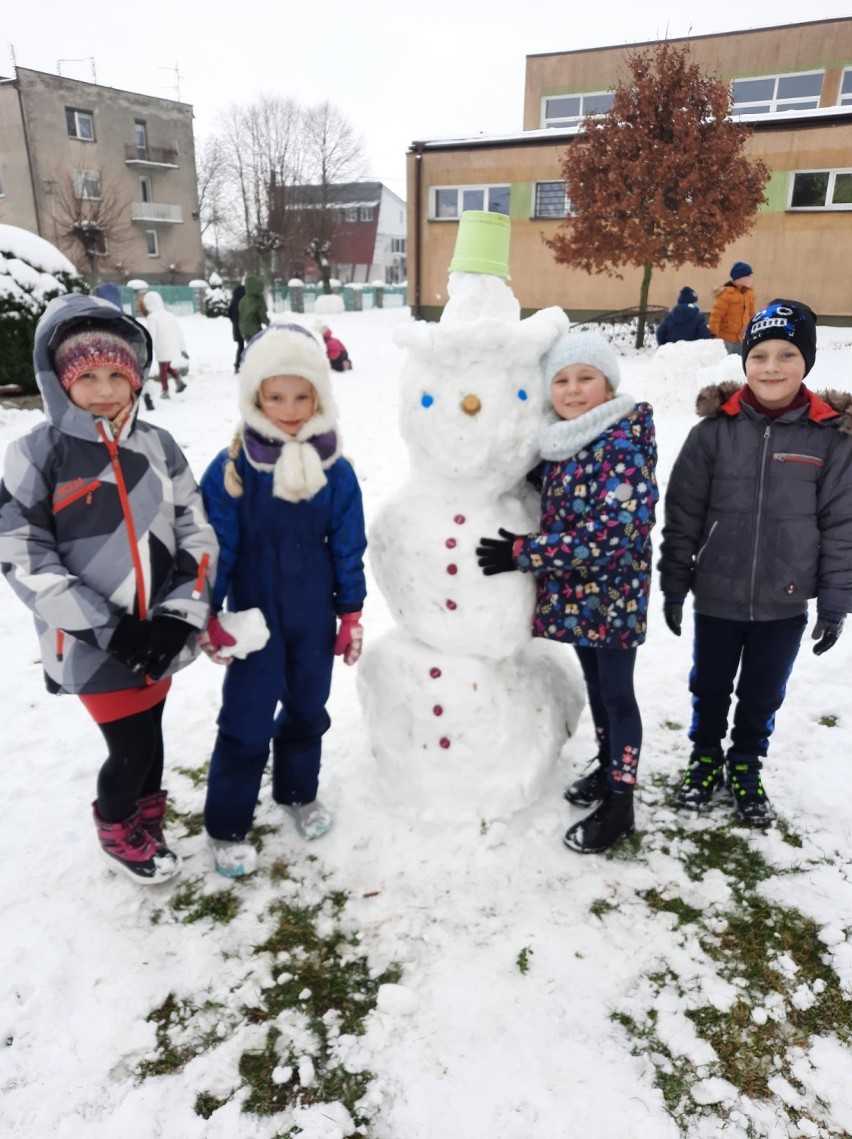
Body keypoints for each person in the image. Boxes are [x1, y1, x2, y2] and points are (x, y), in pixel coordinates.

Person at [0, 293, 217, 883]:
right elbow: (23, 555)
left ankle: (146, 812)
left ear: (136, 376)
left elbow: (196, 530)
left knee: (153, 734)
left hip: (161, 636)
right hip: (96, 643)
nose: (103, 390)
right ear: (58, 380)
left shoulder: (159, 446)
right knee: (130, 748)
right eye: (86, 376)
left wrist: (179, 616)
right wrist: (109, 628)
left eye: (116, 374)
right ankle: (117, 826)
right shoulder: (35, 456)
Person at [659, 299, 852, 826]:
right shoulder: (713, 433)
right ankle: (704, 757)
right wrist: (675, 584)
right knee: (710, 684)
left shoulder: (831, 440)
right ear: (744, 361)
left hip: (784, 598)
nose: (772, 367)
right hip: (718, 592)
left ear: (806, 361)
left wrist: (835, 604)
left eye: (787, 354)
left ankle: (745, 761)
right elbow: (683, 516)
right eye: (760, 354)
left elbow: (842, 527)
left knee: (763, 690)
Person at [476, 331, 658, 854]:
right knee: (599, 688)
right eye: (561, 380)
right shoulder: (563, 441)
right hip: (580, 600)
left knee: (618, 694)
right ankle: (607, 767)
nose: (573, 390)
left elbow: (615, 532)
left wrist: (525, 552)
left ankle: (621, 801)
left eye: (586, 378)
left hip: (614, 598)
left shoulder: (621, 442)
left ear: (608, 385)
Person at [199, 322, 367, 877]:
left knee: (306, 709)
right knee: (246, 719)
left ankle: (297, 792)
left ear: (319, 395)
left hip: (312, 616)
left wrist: (350, 612)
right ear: (255, 396)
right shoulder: (232, 469)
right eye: (275, 397)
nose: (289, 409)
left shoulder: (335, 466)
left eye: (301, 396)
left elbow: (347, 542)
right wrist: (208, 614)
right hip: (255, 619)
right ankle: (227, 825)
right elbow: (215, 547)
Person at [138, 290, 189, 399]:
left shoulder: (152, 318)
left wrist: (147, 349)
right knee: (167, 367)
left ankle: (165, 392)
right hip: (173, 346)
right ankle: (179, 381)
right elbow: (178, 332)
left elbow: (151, 336)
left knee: (163, 371)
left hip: (162, 348)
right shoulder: (170, 315)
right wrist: (183, 348)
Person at [708, 261, 756, 355]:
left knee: (738, 367)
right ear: (739, 277)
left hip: (742, 339)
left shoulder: (750, 294)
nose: (750, 279)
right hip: (725, 340)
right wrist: (713, 334)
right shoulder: (726, 294)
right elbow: (716, 315)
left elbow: (752, 315)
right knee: (725, 365)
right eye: (747, 276)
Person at [238, 275, 269, 344]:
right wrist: (268, 323)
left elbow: (241, 311)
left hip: (243, 327)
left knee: (250, 346)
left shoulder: (243, 300)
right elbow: (262, 315)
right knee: (259, 345)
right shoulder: (257, 300)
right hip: (254, 327)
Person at [227, 282, 246, 374]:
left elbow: (229, 314)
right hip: (244, 327)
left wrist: (235, 322)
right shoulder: (244, 303)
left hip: (236, 328)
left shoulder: (233, 302)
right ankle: (244, 364)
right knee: (249, 345)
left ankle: (238, 365)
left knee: (240, 346)